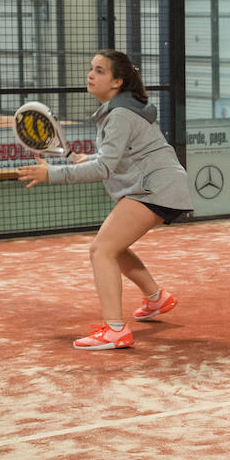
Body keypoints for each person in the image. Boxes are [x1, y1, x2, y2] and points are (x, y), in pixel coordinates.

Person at [18, 49, 193, 351]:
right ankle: (156, 298)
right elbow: (113, 158)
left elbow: (103, 167)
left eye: (100, 70)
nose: (91, 75)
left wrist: (52, 175)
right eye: (91, 68)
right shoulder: (119, 111)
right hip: (159, 186)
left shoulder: (121, 115)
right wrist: (73, 158)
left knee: (102, 250)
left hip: (155, 189)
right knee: (114, 247)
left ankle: (115, 330)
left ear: (117, 81)